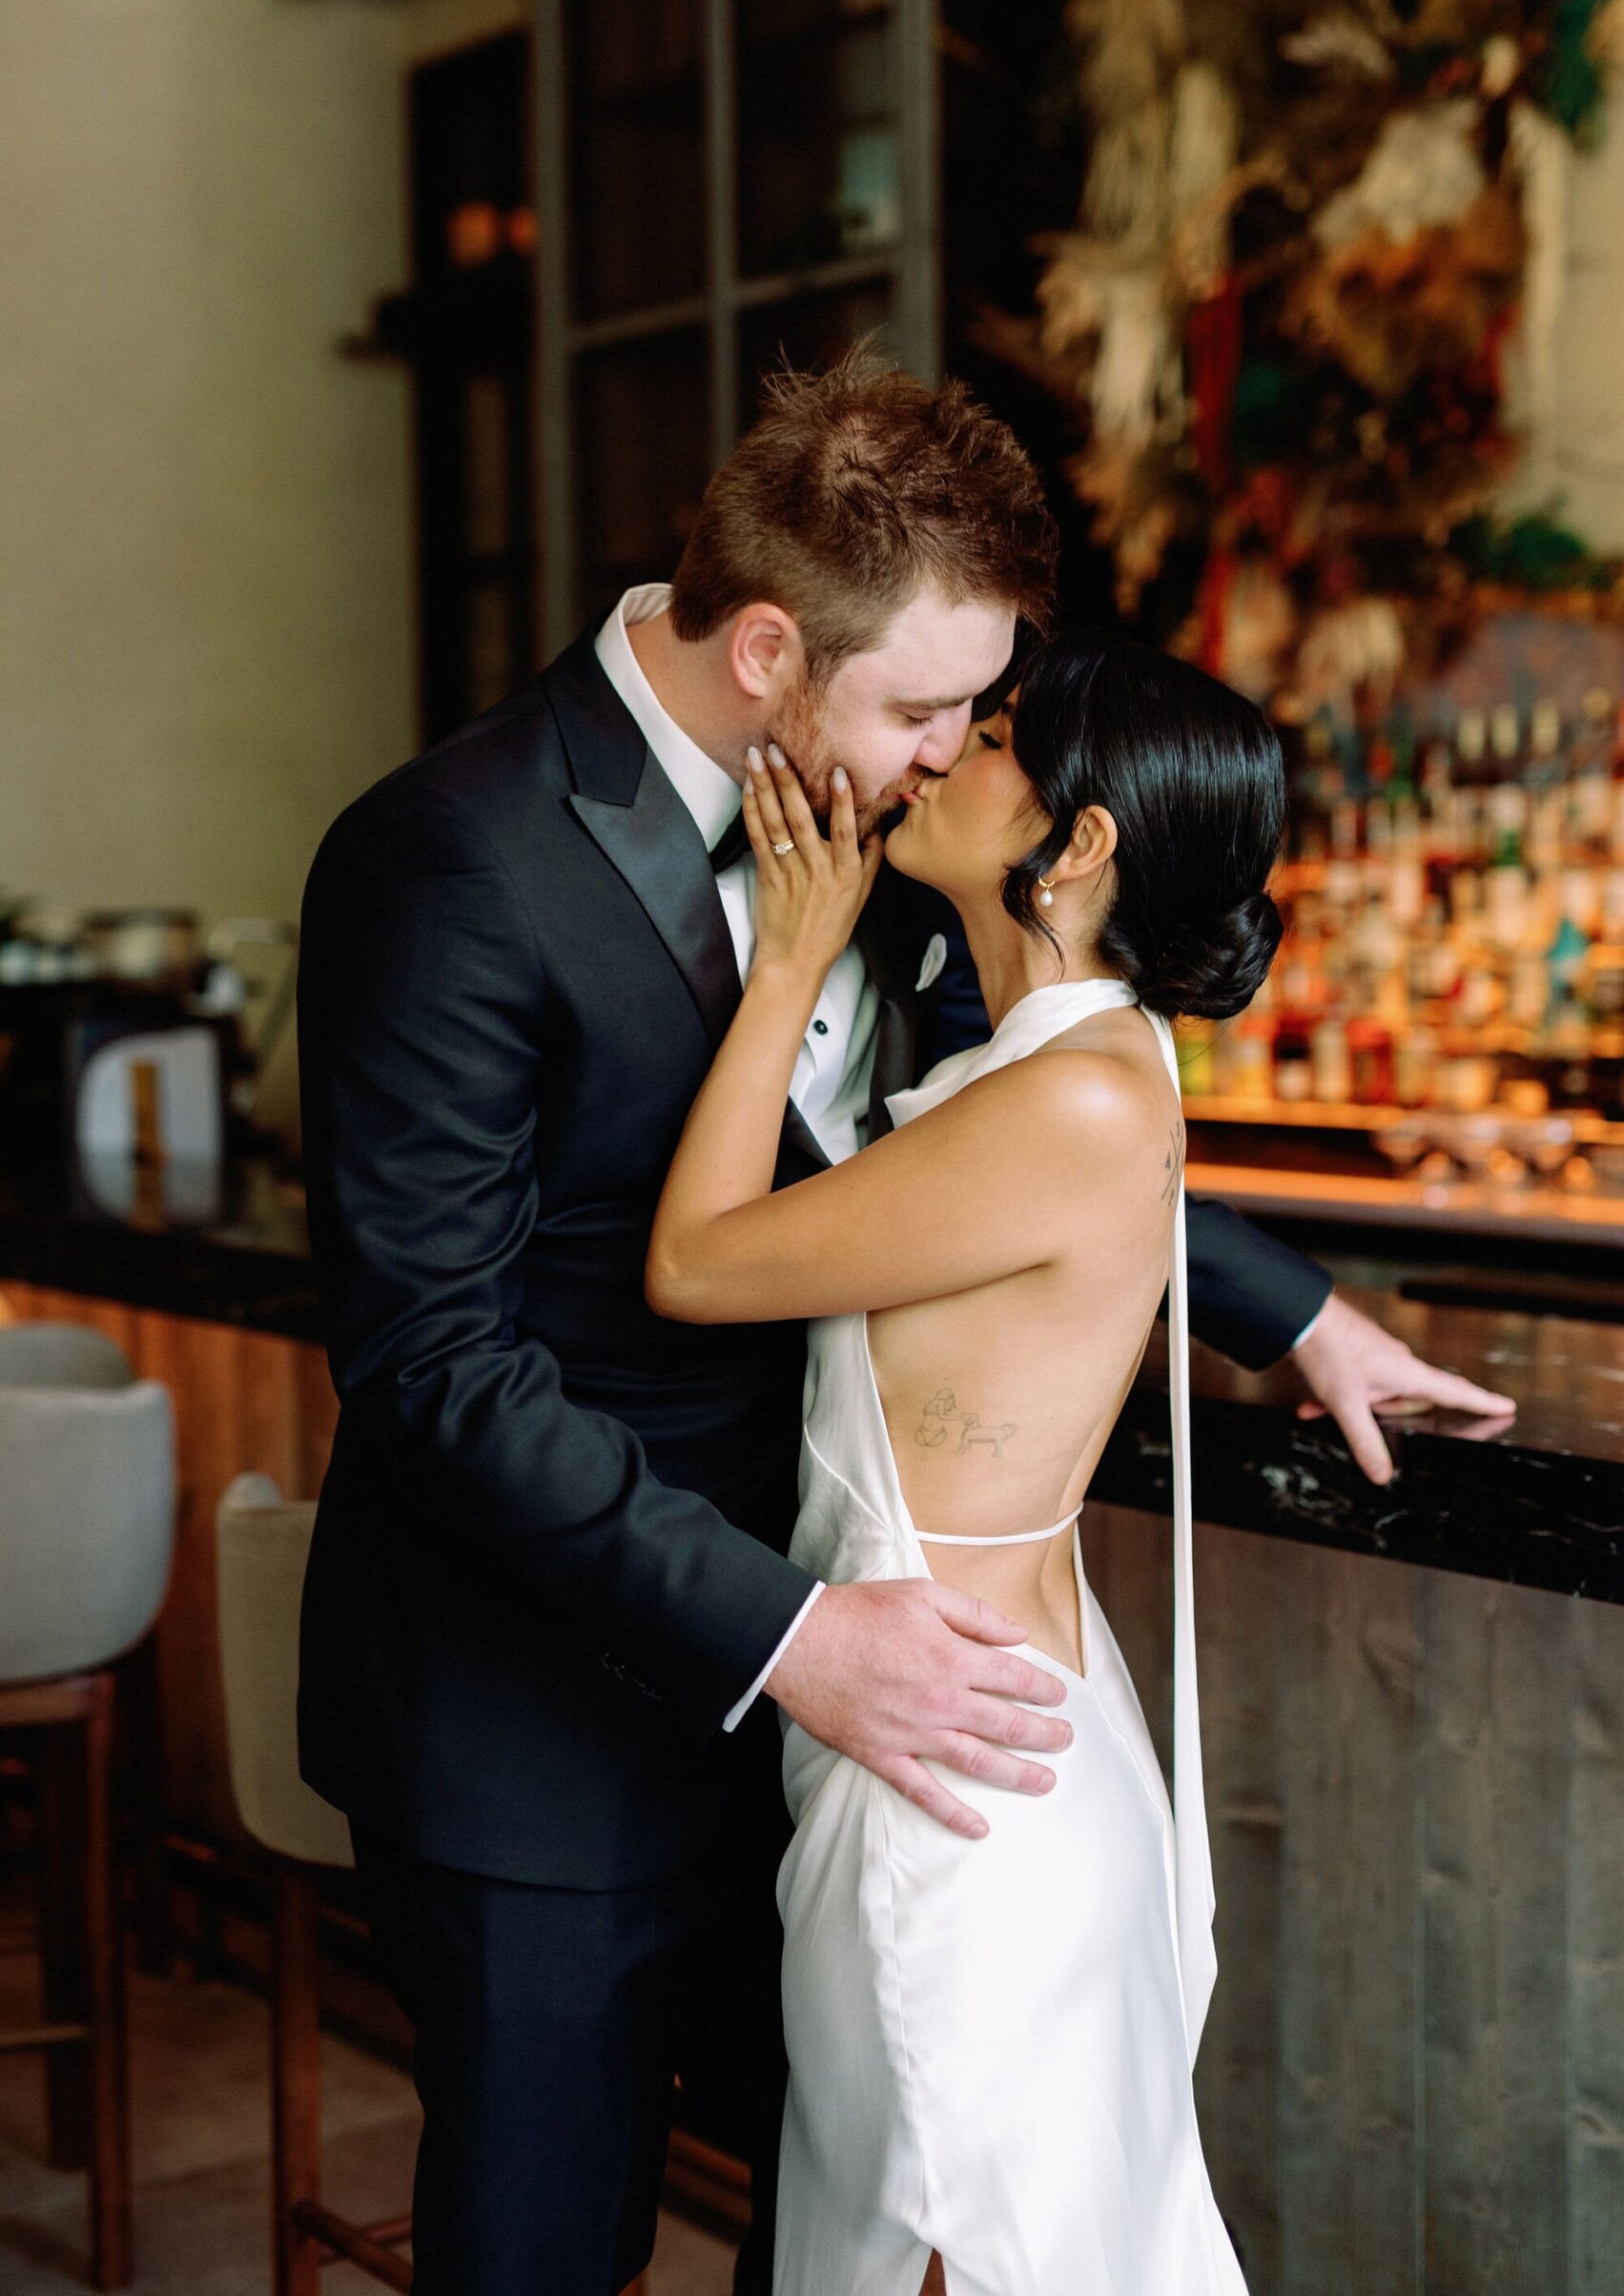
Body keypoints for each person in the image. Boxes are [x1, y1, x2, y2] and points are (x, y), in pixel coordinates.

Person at [295, 355, 1513, 2296]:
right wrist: (792, 1634)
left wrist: (1302, 1318)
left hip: (856, 1755)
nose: (960, 754)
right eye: (933, 704)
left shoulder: (905, 828)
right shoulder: (450, 853)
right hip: (543, 1723)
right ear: (770, 645)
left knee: (844, 2243)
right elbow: (432, 1360)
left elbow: (1025, 1109)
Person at [647, 635, 1284, 2290]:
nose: (940, 757)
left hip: (956, 1790)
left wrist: (790, 963)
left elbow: (698, 1264)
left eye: (991, 737)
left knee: (943, 2246)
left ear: (1076, 849)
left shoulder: (1066, 1101)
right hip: (987, 1734)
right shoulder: (1082, 1062)